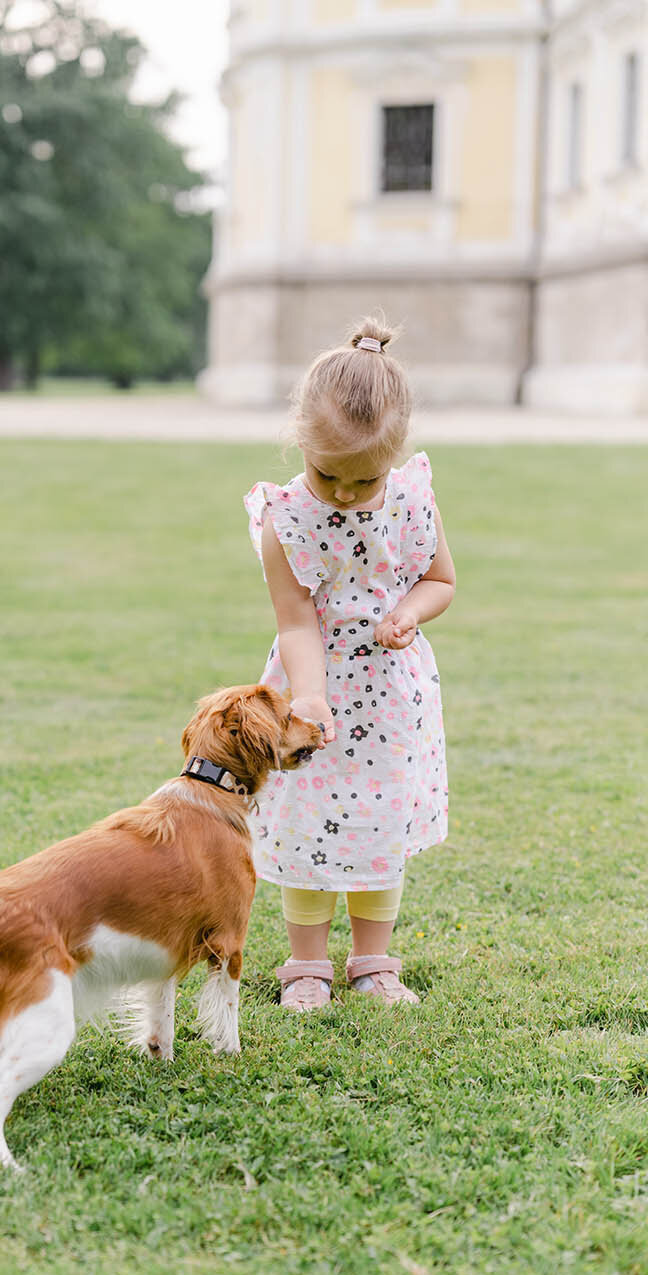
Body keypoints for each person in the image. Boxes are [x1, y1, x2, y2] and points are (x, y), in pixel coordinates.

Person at [244, 317, 455, 1011]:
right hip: (317, 699)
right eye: (326, 473)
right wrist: (309, 697)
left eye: (362, 480)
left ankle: (373, 959)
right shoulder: (286, 519)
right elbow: (296, 618)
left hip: (392, 700)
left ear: (394, 460)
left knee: (377, 823)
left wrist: (410, 613)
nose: (341, 493)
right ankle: (306, 965)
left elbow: (439, 581)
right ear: (300, 440)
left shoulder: (413, 498)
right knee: (311, 822)